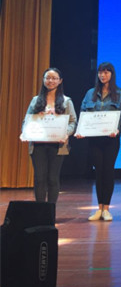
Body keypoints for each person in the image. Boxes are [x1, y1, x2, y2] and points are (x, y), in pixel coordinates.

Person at [77, 62, 121, 221]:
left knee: (108, 171)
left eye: (106, 72)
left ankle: (107, 209)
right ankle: (99, 208)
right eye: (100, 72)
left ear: (112, 74)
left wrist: (117, 129)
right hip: (94, 139)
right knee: (99, 172)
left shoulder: (120, 93)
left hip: (111, 140)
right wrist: (81, 130)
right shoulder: (90, 93)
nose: (103, 75)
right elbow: (83, 113)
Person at [21, 68, 77, 203]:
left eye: (54, 78)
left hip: (58, 145)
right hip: (38, 145)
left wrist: (66, 133)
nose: (50, 81)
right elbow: (26, 121)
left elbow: (73, 122)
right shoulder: (35, 100)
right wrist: (25, 132)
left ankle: (50, 211)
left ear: (60, 81)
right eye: (48, 78)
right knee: (39, 178)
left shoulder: (66, 101)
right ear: (43, 80)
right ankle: (40, 210)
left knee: (53, 178)